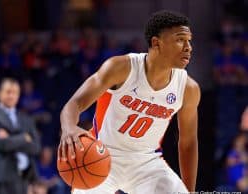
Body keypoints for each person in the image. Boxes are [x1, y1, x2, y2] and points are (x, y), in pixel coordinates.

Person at [58, 10, 200, 193]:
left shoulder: (188, 88)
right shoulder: (121, 68)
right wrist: (69, 128)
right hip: (101, 154)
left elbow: (188, 142)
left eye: (189, 41)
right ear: (156, 43)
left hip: (147, 163)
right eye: (180, 40)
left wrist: (190, 191)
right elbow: (74, 104)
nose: (188, 47)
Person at [0, 78, 41, 194]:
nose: (12, 96)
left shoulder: (26, 119)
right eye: (8, 92)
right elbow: (1, 144)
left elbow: (36, 147)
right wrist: (24, 138)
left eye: (15, 93)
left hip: (22, 178)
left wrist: (10, 138)